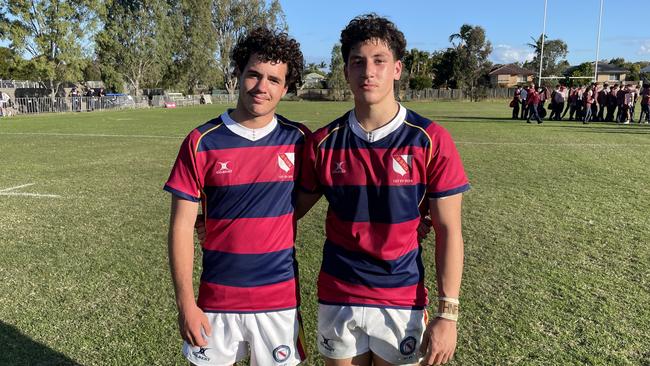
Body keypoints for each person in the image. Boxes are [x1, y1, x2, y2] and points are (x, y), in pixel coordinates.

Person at [297, 14, 469, 366]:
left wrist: (448, 314)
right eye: (357, 62)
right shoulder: (323, 143)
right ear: (345, 71)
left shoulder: (430, 140)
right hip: (338, 292)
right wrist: (221, 224)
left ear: (397, 69)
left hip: (401, 298)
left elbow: (450, 230)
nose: (368, 72)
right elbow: (287, 211)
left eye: (379, 61)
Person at [164, 27, 309, 366]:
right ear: (237, 74)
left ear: (285, 88)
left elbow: (336, 187)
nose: (262, 87)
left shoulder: (299, 139)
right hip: (216, 301)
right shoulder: (202, 141)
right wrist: (186, 304)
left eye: (274, 79)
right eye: (254, 74)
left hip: (280, 302)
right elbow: (182, 227)